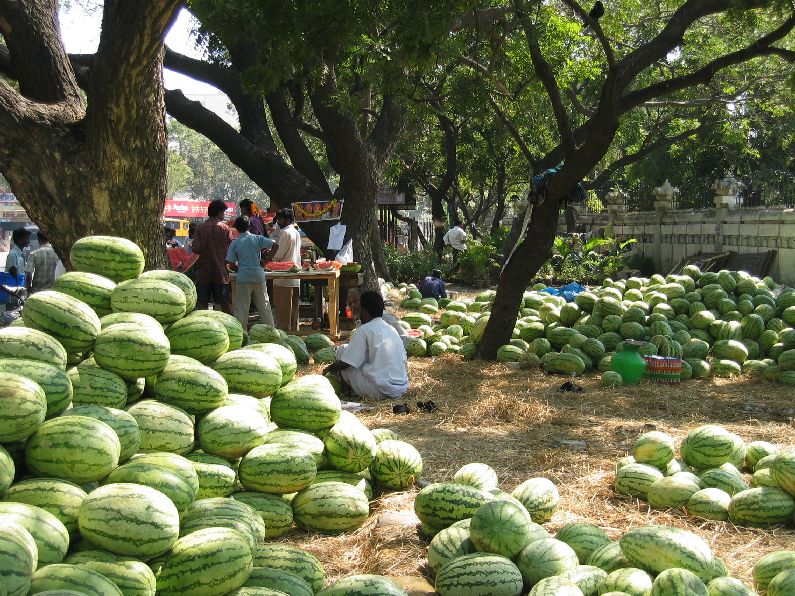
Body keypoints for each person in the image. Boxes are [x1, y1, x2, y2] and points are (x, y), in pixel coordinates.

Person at [323, 290, 408, 400]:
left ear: (365, 311)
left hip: (380, 391)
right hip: (400, 389)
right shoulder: (390, 329)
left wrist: (329, 368)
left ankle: (347, 395)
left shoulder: (364, 330)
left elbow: (347, 363)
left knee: (341, 351)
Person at [226, 215, 276, 329]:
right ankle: (272, 332)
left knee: (242, 309)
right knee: (265, 306)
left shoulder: (235, 243)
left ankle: (242, 335)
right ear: (249, 226)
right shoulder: (257, 238)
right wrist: (267, 261)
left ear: (236, 229)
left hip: (243, 277)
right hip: (258, 275)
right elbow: (275, 245)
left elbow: (230, 263)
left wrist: (239, 269)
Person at [192, 199, 234, 313]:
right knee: (225, 304)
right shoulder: (226, 229)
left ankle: (201, 326)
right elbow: (231, 250)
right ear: (219, 212)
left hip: (204, 272)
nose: (224, 215)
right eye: (223, 212)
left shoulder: (200, 228)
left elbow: (195, 249)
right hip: (221, 273)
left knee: (202, 303)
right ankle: (231, 327)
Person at [270, 208, 302, 331]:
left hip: (283, 276)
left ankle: (285, 334)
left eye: (280, 219)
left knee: (283, 310)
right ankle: (295, 332)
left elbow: (279, 254)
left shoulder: (285, 233)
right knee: (294, 310)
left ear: (288, 219)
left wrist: (270, 254)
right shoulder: (296, 232)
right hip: (295, 275)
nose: (279, 221)